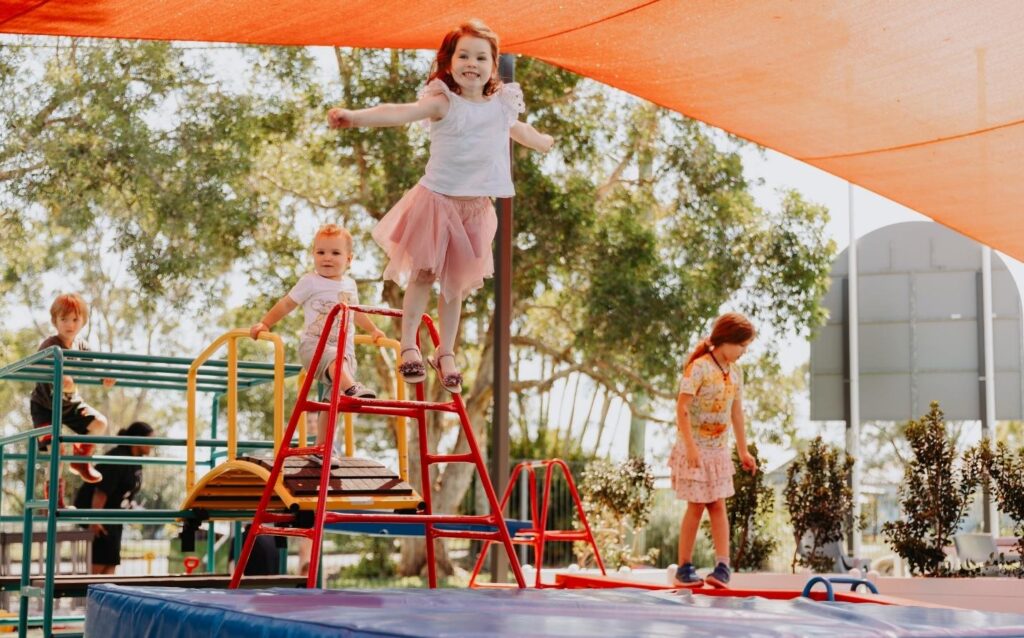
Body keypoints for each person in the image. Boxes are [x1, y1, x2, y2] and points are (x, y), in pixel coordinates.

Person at [327, 19, 553, 394]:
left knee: (455, 288)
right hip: (436, 204)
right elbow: (398, 112)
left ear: (493, 66)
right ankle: (410, 345)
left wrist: (542, 141)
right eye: (463, 55)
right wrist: (355, 117)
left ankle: (446, 352)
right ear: (448, 63)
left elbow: (521, 130)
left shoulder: (500, 107)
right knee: (423, 275)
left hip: (476, 211)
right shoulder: (443, 103)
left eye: (481, 57)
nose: (472, 63)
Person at [250, 223, 386, 446]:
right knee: (336, 361)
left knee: (333, 402)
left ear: (349, 259)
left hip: (344, 352)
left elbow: (357, 312)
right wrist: (265, 323)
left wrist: (372, 330)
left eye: (335, 253)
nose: (327, 258)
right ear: (313, 254)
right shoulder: (310, 281)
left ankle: (322, 448)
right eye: (321, 252)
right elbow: (286, 304)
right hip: (315, 347)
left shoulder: (350, 285)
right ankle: (353, 388)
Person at [670, 312, 759, 589]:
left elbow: (736, 412)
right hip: (694, 447)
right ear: (727, 341)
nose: (744, 351)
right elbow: (682, 408)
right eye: (742, 345)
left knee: (718, 505)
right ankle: (684, 567)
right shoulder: (699, 368)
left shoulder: (735, 372)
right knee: (696, 506)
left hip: (718, 451)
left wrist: (743, 451)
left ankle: (723, 566)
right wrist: (692, 448)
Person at [29, 293, 114, 492]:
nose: (70, 324)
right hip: (44, 406)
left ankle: (80, 460)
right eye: (64, 319)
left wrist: (105, 378)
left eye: (75, 319)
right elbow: (45, 371)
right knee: (56, 450)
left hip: (69, 404)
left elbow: (94, 369)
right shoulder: (50, 345)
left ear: (83, 321)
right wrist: (63, 381)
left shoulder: (81, 347)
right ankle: (53, 497)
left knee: (100, 423)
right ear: (55, 321)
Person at [73, 421, 154, 575]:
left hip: (114, 517)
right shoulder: (118, 457)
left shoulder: (135, 461)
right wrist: (95, 520)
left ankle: (105, 597)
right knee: (98, 567)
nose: (152, 444)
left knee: (111, 564)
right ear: (138, 438)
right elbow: (100, 491)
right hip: (100, 515)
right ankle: (89, 596)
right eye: (150, 439)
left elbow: (126, 491)